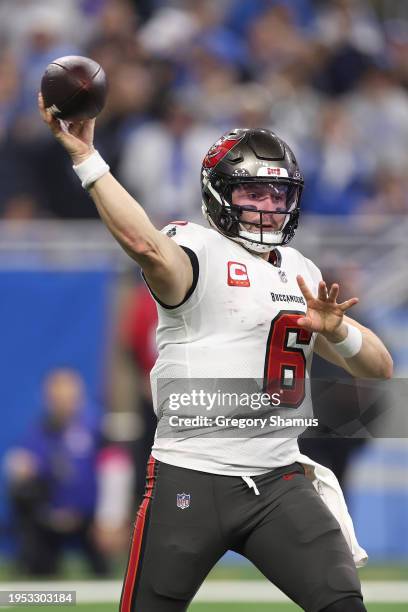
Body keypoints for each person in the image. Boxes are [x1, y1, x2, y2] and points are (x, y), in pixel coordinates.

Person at [39, 94, 392, 612]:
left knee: (342, 605)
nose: (268, 206)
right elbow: (144, 245)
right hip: (192, 475)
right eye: (253, 191)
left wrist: (337, 332)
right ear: (219, 194)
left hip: (278, 481)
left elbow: (380, 368)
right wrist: (87, 160)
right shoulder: (197, 247)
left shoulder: (301, 270)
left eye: (278, 195)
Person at [5, 368, 109, 576]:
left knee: (104, 570)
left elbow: (113, 472)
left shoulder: (97, 429)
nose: (64, 403)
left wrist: (108, 517)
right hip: (50, 517)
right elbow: (21, 465)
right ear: (48, 399)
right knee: (20, 489)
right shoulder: (38, 432)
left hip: (90, 518)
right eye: (57, 397)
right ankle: (34, 565)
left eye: (69, 396)